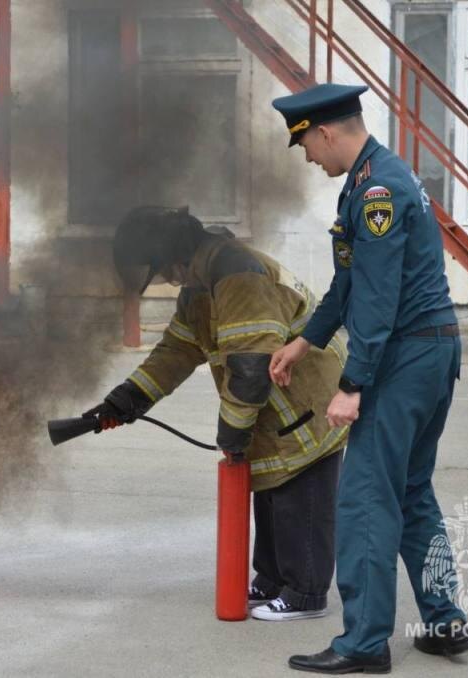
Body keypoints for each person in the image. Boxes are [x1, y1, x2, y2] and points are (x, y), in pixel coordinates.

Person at [269, 83, 468, 674]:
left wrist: (352, 385)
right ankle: (443, 619)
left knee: (362, 499)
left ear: (326, 133)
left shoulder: (375, 190)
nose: (308, 159)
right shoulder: (373, 178)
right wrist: (305, 340)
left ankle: (363, 643)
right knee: (410, 490)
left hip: (403, 357)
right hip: (432, 351)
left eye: (306, 146)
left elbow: (379, 300)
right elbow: (348, 286)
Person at [85, 206, 348, 620]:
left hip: (307, 401)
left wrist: (232, 431)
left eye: (165, 272)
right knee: (271, 493)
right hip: (279, 406)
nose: (170, 282)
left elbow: (250, 368)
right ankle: (272, 578)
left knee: (300, 497)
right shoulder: (203, 282)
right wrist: (124, 400)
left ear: (174, 256)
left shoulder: (238, 274)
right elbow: (174, 353)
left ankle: (305, 592)